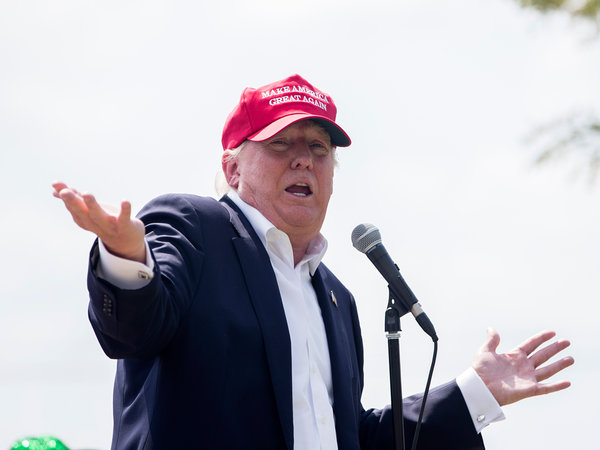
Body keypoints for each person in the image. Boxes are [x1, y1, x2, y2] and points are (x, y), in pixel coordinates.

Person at [52, 74, 573, 450]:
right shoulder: (196, 225)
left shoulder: (337, 299)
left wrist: (474, 393)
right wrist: (125, 257)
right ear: (232, 169)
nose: (304, 158)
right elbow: (134, 331)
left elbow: (352, 437)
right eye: (281, 144)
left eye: (319, 147)